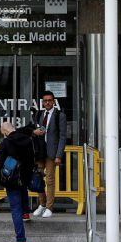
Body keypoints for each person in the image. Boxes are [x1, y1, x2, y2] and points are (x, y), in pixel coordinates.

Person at [0, 121, 35, 242]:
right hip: (25, 177)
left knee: (15, 209)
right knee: (23, 191)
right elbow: (32, 159)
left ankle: (21, 241)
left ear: (4, 131)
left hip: (12, 179)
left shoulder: (6, 143)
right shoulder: (28, 140)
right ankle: (26, 213)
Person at [30, 90, 68, 219]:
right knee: (38, 179)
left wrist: (59, 155)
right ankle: (42, 204)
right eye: (45, 101)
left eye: (49, 100)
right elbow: (32, 130)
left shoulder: (59, 116)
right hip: (39, 151)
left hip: (52, 153)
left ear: (53, 101)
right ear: (42, 102)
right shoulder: (39, 114)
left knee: (50, 180)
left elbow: (62, 137)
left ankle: (49, 207)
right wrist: (35, 132)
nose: (47, 103)